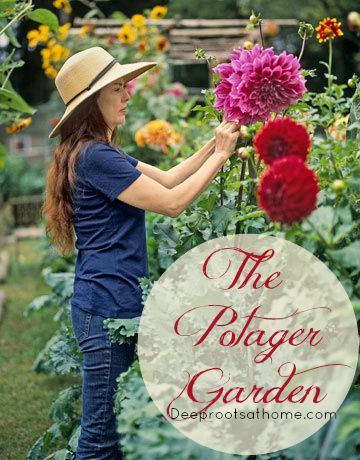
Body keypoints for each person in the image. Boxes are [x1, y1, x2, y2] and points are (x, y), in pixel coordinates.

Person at [42, 46, 240, 459]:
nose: (128, 94)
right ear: (91, 103)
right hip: (106, 309)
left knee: (111, 431)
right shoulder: (96, 156)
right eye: (117, 88)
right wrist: (222, 155)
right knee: (100, 439)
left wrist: (216, 140)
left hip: (109, 304)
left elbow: (169, 178)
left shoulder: (98, 152)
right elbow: (172, 202)